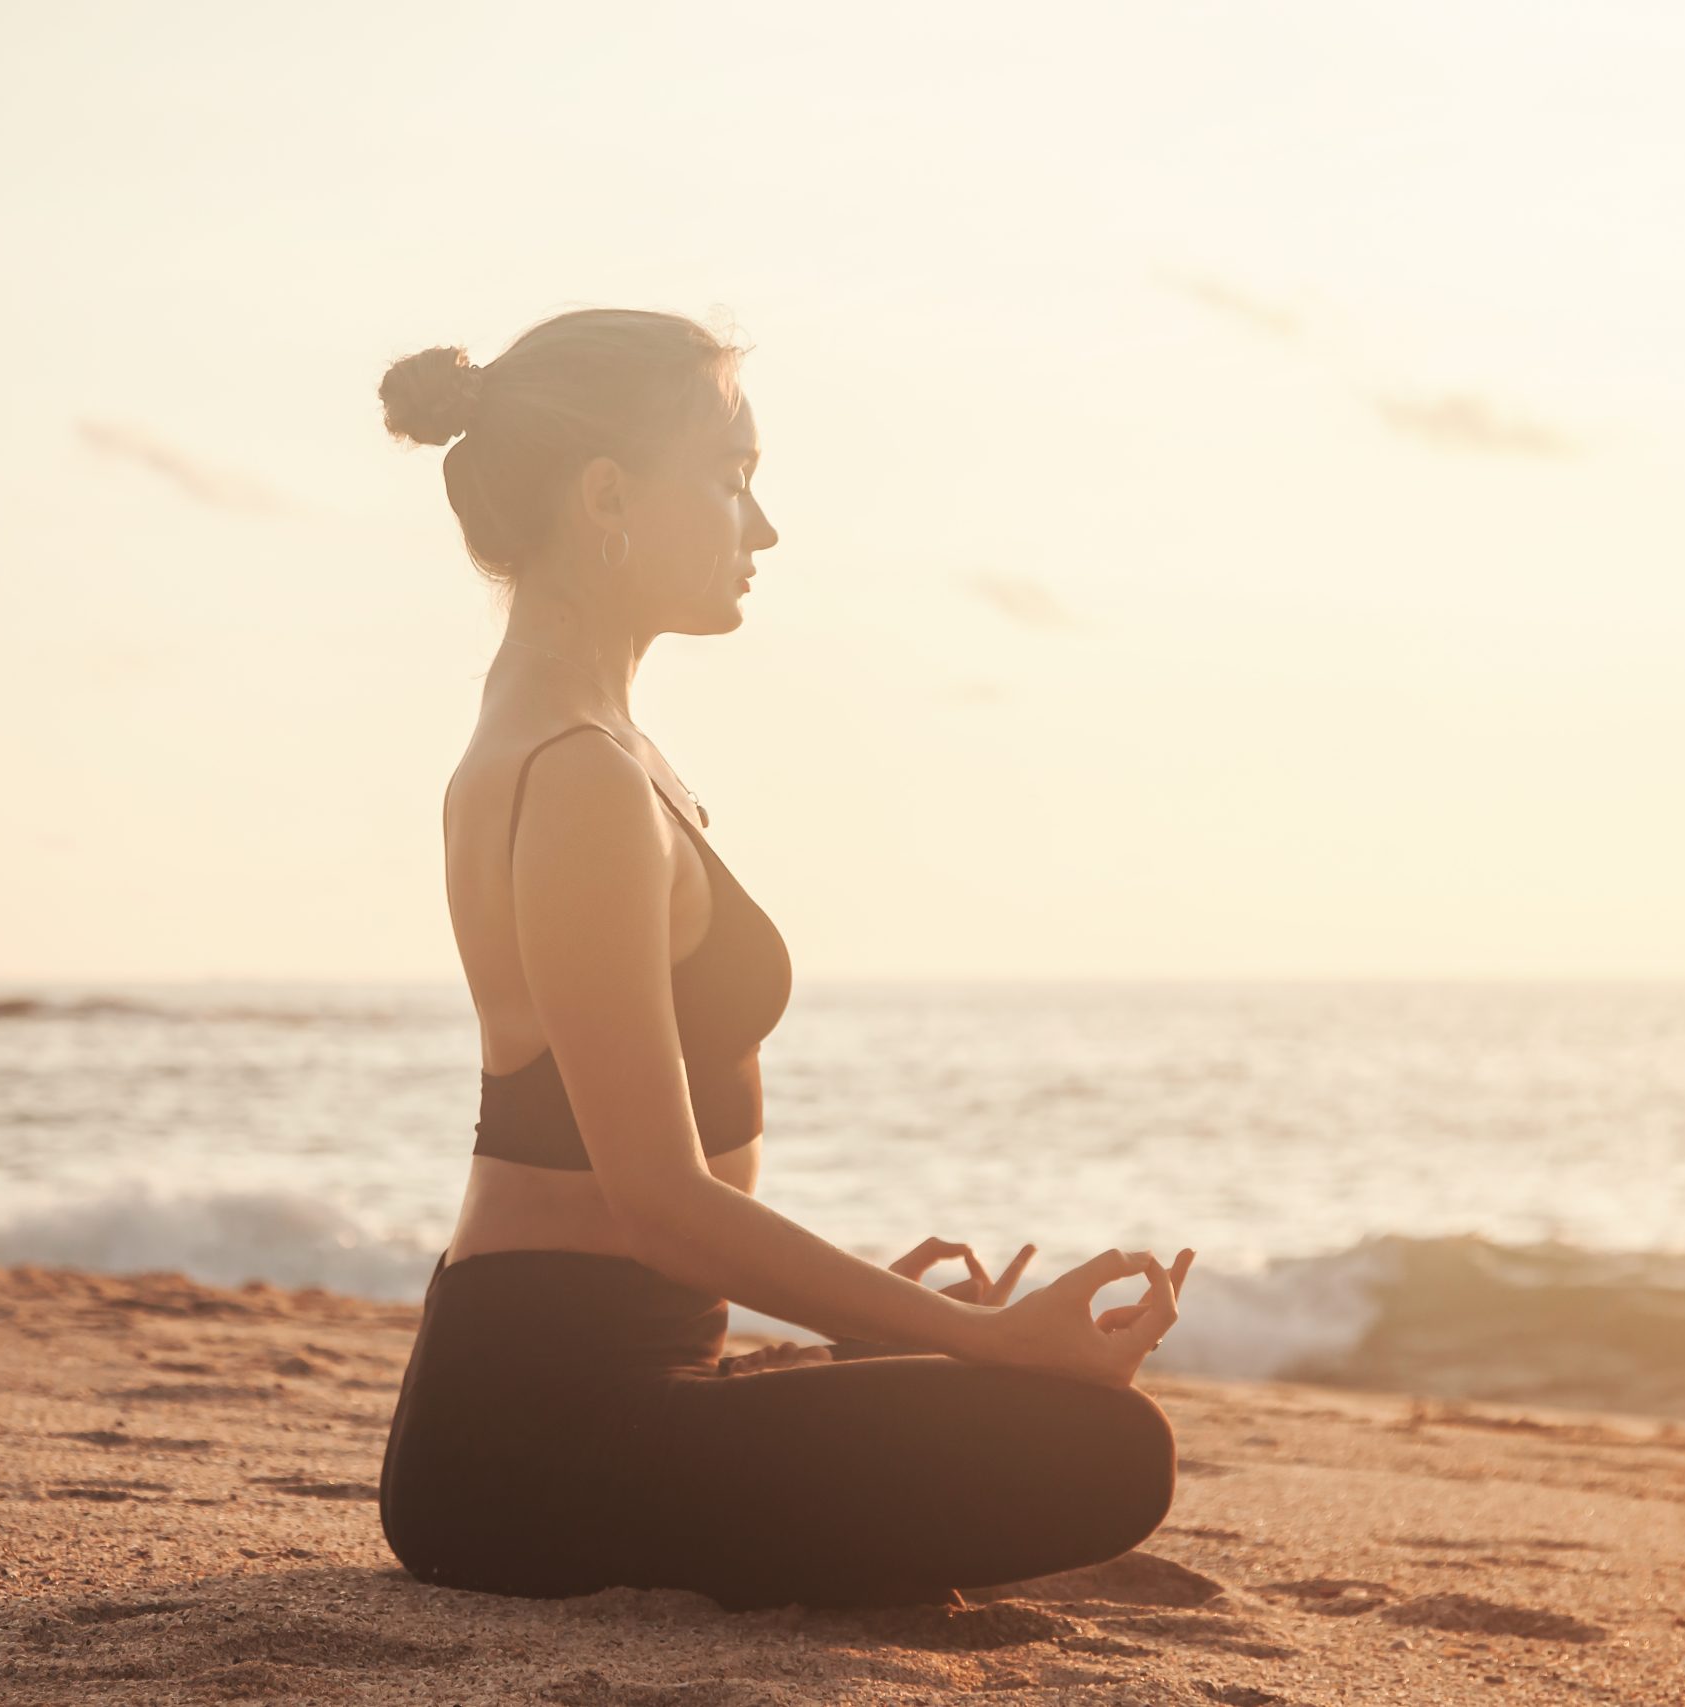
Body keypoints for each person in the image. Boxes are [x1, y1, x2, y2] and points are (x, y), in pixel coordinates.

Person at [371, 307, 1192, 1612]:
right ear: (606, 496)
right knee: (1106, 1452)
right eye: (734, 476)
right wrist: (970, 1335)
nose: (763, 527)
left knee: (1011, 1408)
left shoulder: (592, 746)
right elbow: (655, 1202)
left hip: (600, 1385)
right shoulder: (575, 775)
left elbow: (646, 1223)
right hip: (533, 1439)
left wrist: (869, 1323)